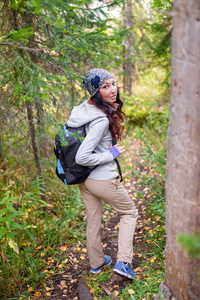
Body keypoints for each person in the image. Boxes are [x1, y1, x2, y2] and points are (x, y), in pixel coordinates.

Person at [67, 68, 138, 279]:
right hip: (101, 178)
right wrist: (111, 154)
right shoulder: (100, 119)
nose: (113, 90)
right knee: (129, 213)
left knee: (94, 220)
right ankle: (124, 262)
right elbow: (82, 157)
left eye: (113, 84)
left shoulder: (82, 110)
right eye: (105, 87)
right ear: (95, 92)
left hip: (84, 179)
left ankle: (97, 263)